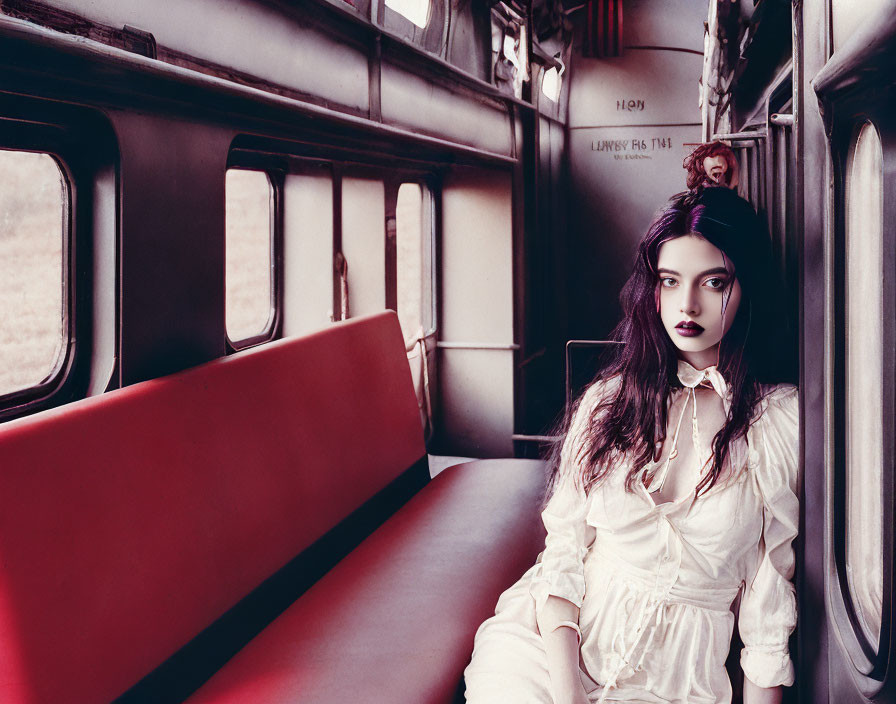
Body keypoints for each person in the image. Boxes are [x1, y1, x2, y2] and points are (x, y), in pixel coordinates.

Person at [464, 186, 798, 704]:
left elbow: (766, 618)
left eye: (714, 282)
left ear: (747, 287)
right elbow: (564, 556)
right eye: (670, 281)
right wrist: (568, 694)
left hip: (675, 686)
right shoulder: (610, 401)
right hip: (551, 659)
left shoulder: (775, 422)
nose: (686, 305)